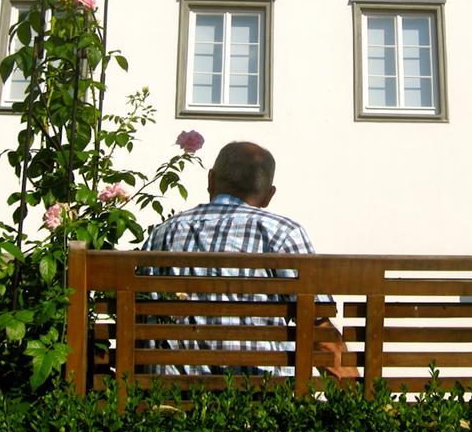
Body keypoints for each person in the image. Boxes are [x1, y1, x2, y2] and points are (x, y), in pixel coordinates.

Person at [146, 140, 357, 381]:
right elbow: (318, 330)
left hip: (167, 400)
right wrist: (363, 407)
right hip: (258, 405)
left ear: (210, 180)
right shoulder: (281, 234)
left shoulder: (164, 234)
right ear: (269, 196)